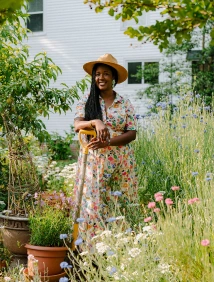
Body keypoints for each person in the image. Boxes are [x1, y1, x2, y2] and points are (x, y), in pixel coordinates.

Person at [74, 53, 138, 247]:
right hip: (94, 160)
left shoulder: (124, 103)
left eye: (106, 74)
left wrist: (108, 142)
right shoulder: (88, 100)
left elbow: (132, 133)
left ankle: (121, 246)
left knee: (121, 201)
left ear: (114, 78)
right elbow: (77, 124)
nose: (101, 78)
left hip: (122, 161)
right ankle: (91, 249)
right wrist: (96, 121)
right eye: (98, 74)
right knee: (93, 203)